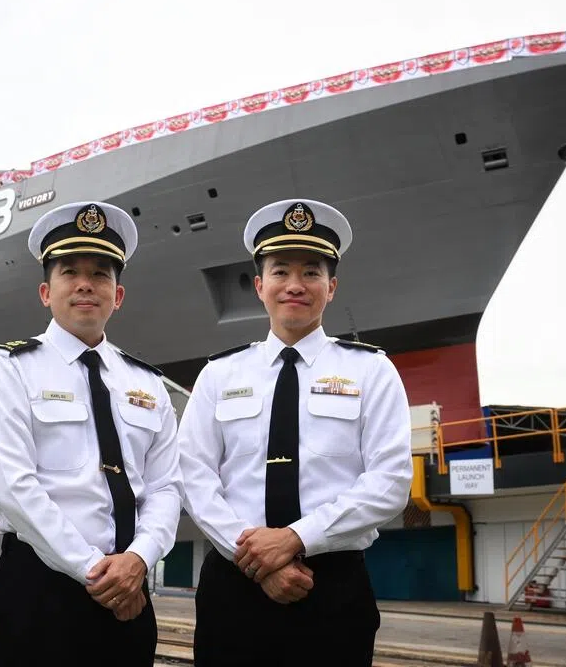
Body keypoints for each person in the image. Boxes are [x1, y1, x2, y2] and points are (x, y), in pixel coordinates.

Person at [177, 199, 413, 667]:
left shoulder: (373, 371)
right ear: (260, 286)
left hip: (333, 587)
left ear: (332, 286)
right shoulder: (219, 375)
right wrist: (255, 556)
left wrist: (295, 539)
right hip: (234, 581)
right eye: (281, 271)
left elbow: (390, 482)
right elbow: (192, 475)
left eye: (311, 272)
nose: (296, 285)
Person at [0, 201, 183, 667]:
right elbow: (14, 489)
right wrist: (96, 572)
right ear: (46, 292)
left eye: (101, 274)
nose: (86, 284)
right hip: (41, 588)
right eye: (70, 271)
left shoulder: (147, 384)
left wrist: (138, 560)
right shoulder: (11, 370)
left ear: (119, 295)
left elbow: (167, 486)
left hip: (130, 586)